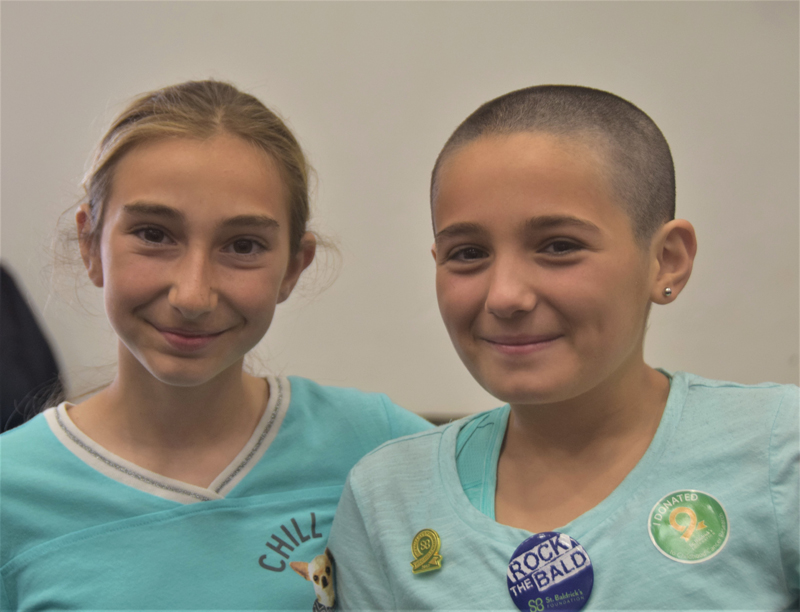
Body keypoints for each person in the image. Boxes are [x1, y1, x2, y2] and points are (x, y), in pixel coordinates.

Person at [329, 85, 799, 610]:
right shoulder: (388, 497)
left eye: (559, 246)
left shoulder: (779, 451)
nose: (505, 296)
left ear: (666, 260)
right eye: (468, 253)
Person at [0, 80, 431, 611]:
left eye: (243, 245)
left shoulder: (383, 449)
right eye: (154, 235)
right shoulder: (10, 492)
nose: (193, 295)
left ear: (293, 268)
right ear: (91, 245)